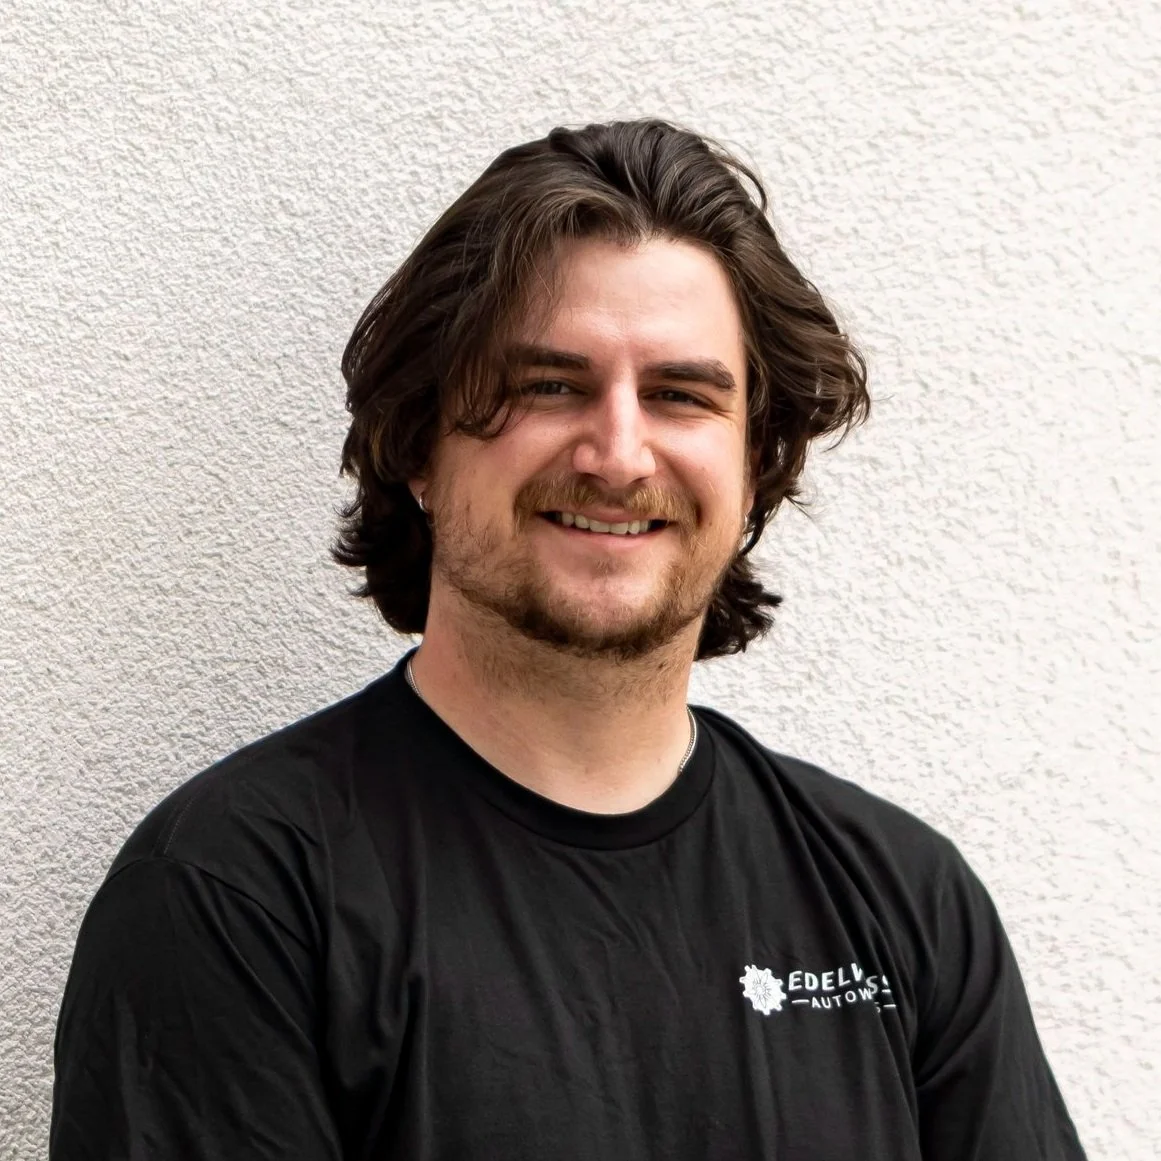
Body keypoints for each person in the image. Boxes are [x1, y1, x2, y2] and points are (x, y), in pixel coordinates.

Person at [51, 118, 1086, 1160]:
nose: (619, 454)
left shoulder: (904, 900)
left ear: (756, 465)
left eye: (681, 395)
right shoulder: (239, 893)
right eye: (551, 386)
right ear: (419, 444)